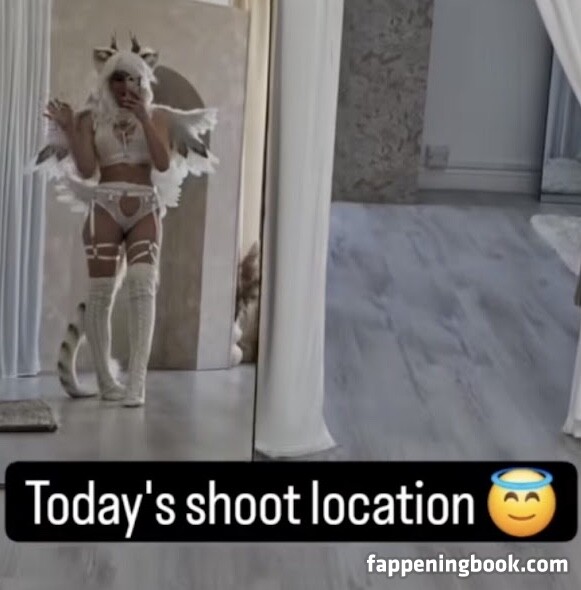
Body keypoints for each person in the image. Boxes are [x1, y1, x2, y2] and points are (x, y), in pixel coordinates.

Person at [34, 35, 218, 407]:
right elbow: (87, 170)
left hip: (144, 205)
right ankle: (107, 382)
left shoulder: (158, 115)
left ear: (142, 80)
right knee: (101, 294)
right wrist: (70, 128)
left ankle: (137, 383)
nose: (124, 86)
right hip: (104, 204)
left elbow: (162, 164)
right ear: (107, 80)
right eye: (117, 78)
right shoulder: (91, 118)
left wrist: (143, 118)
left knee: (141, 284)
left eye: (131, 78)